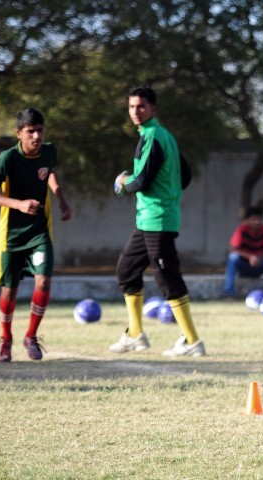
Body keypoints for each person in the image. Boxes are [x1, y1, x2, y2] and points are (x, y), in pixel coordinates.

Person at [110, 86, 206, 357]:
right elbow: (184, 177)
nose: (135, 112)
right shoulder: (165, 136)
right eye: (131, 107)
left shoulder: (153, 136)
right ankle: (136, 335)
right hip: (149, 220)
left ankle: (192, 341)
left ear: (152, 108)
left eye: (141, 106)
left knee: (167, 278)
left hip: (158, 219)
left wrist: (121, 182)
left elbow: (141, 181)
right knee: (127, 271)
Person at [0, 108, 72, 362]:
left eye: (40, 130)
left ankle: (31, 336)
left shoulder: (49, 151)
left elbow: (50, 172)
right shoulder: (7, 158)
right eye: (30, 131)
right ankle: (5, 340)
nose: (36, 136)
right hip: (11, 235)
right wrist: (19, 204)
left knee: (43, 281)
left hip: (39, 231)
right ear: (19, 134)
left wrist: (62, 200)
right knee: (9, 291)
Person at [222, 206, 263, 299]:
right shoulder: (242, 230)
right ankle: (229, 293)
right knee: (232, 257)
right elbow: (233, 249)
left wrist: (259, 258)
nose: (257, 222)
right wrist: (250, 257)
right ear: (247, 220)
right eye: (253, 219)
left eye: (259, 219)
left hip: (261, 264)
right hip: (245, 265)